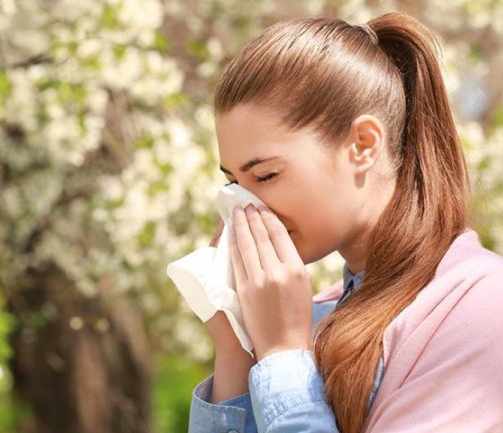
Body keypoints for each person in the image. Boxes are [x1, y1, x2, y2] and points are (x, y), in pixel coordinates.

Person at [187, 11, 503, 433]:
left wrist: (282, 354)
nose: (245, 206)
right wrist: (236, 351)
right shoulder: (315, 316)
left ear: (363, 145)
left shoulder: (478, 308)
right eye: (233, 182)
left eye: (265, 176)